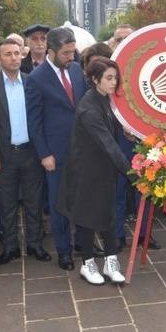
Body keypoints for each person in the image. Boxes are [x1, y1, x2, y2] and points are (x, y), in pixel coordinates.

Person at [0, 39, 51, 266]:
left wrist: (43, 152)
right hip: (4, 156)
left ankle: (35, 244)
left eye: (17, 53)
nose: (13, 58)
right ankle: (9, 248)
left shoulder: (31, 83)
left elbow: (40, 119)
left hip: (30, 153)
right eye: (8, 54)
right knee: (6, 205)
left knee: (34, 202)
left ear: (22, 55)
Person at [58, 59, 129, 284]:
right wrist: (133, 173)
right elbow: (107, 142)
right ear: (95, 79)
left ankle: (110, 261)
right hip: (86, 171)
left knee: (108, 215)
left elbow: (114, 127)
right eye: (109, 78)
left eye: (115, 77)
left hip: (103, 169)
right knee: (87, 218)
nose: (113, 82)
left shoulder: (104, 99)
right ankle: (87, 265)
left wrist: (129, 131)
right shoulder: (89, 107)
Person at [26, 28, 90, 270]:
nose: (71, 57)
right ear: (51, 52)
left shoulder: (75, 70)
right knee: (59, 204)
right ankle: (63, 251)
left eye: (73, 52)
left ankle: (83, 244)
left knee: (83, 199)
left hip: (82, 150)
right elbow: (34, 121)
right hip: (55, 153)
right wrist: (44, 154)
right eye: (66, 53)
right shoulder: (36, 79)